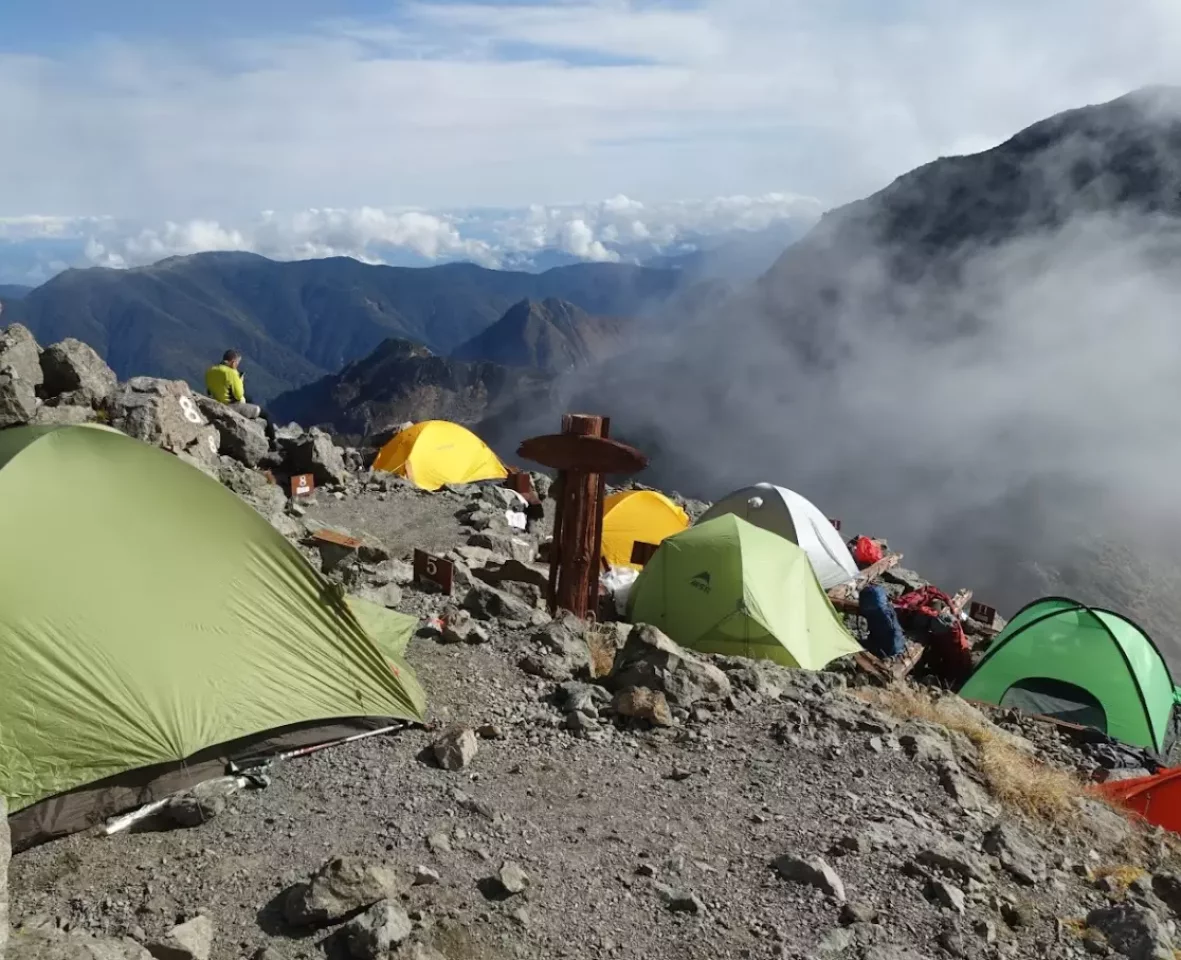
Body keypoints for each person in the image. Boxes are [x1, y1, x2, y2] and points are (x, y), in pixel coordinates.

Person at [205, 350, 261, 419]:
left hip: (213, 403)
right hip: (229, 407)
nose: (237, 366)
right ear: (233, 362)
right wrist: (240, 381)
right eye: (237, 363)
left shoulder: (210, 370)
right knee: (257, 409)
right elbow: (239, 395)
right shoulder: (232, 373)